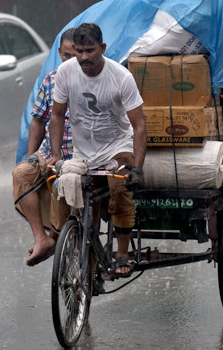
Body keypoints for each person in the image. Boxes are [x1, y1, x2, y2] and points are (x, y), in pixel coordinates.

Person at [47, 22, 146, 277]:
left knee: (120, 189)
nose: (83, 57)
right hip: (84, 152)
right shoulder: (65, 72)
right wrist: (56, 154)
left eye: (89, 50)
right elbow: (56, 115)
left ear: (102, 48)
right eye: (79, 51)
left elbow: (139, 125)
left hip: (116, 146)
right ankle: (85, 261)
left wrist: (137, 168)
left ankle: (122, 253)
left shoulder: (120, 77)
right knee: (79, 204)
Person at [12, 28, 77, 266]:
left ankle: (59, 239)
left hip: (81, 155)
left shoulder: (90, 79)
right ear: (60, 53)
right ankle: (42, 238)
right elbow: (39, 119)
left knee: (64, 184)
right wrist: (30, 156)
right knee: (22, 173)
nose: (71, 61)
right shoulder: (51, 80)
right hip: (51, 151)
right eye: (67, 55)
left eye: (76, 56)